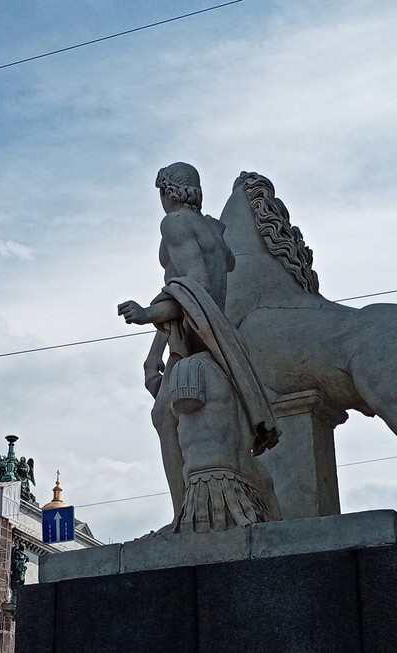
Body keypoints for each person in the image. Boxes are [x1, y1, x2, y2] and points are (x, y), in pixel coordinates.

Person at [118, 162, 280, 532]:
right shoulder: (211, 228)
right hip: (212, 333)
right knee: (223, 435)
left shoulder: (174, 223)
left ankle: (182, 515)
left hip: (197, 337)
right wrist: (155, 350)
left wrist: (147, 313)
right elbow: (209, 277)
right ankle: (266, 509)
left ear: (167, 192)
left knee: (163, 418)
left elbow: (195, 286)